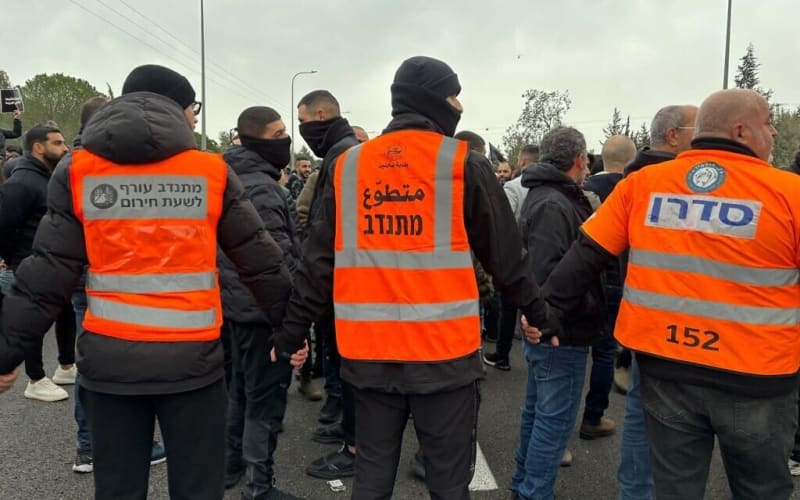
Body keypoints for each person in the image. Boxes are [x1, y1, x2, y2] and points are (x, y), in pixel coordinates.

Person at [0, 64, 306, 500]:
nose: (196, 118)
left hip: (110, 368)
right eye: (193, 108)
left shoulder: (79, 170)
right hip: (193, 367)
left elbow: (46, 271)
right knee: (198, 489)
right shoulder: (210, 171)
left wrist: (7, 351)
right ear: (177, 109)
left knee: (119, 490)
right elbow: (262, 263)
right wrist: (291, 333)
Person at [271, 55, 555, 500]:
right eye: (453, 93)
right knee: (446, 480)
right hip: (444, 358)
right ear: (432, 99)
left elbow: (316, 262)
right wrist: (537, 313)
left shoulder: (347, 167)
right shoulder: (462, 164)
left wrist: (291, 333)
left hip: (368, 356)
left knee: (372, 475)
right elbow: (506, 257)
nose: (459, 103)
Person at [536, 88, 795, 500]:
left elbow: (585, 256)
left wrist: (544, 313)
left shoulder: (643, 185)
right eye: (768, 124)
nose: (774, 133)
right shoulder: (789, 193)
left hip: (665, 370)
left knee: (673, 490)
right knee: (762, 489)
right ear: (742, 130)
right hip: (756, 379)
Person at [511, 126, 607, 499]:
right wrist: (549, 321)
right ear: (579, 159)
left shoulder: (548, 196)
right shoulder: (555, 203)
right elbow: (548, 272)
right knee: (553, 423)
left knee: (538, 415)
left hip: (550, 327)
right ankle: (534, 492)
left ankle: (524, 486)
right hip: (559, 332)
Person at [218, 106, 301, 499]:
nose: (287, 138)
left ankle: (229, 467)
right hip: (262, 312)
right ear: (256, 139)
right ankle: (259, 487)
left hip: (234, 307)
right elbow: (276, 260)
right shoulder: (265, 190)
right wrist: (290, 324)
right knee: (263, 404)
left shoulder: (228, 177)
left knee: (239, 393)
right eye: (280, 132)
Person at [293, 89, 361, 480]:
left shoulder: (343, 156)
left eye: (302, 122)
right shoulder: (339, 153)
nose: (302, 131)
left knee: (350, 367)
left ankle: (355, 446)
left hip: (344, 281)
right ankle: (349, 432)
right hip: (343, 280)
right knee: (341, 363)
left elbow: (328, 229)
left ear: (320, 115)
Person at [0, 123, 75, 402]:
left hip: (52, 264)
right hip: (29, 264)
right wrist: (11, 259)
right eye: (57, 143)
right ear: (38, 147)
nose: (65, 148)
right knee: (33, 322)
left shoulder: (47, 178)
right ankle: (35, 378)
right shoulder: (21, 183)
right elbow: (5, 226)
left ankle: (66, 366)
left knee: (66, 314)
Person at [578, 134, 636, 441]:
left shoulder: (583, 190)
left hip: (588, 277)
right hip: (622, 279)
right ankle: (593, 416)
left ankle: (565, 422)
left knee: (575, 355)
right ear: (630, 160)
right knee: (605, 352)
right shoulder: (636, 190)